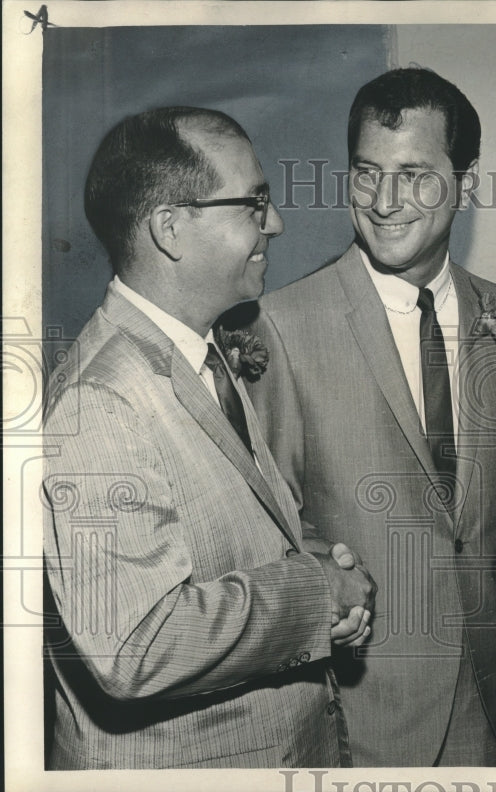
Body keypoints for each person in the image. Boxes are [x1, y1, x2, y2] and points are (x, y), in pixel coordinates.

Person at [42, 106, 375, 769]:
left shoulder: (199, 355)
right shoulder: (101, 400)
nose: (274, 223)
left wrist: (317, 569)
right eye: (254, 203)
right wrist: (316, 594)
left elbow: (225, 536)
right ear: (170, 228)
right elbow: (134, 643)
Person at [241, 68, 496, 766]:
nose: (385, 200)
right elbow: (270, 534)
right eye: (367, 172)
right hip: (364, 714)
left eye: (415, 174)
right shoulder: (281, 325)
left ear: (465, 183)